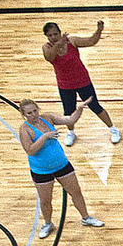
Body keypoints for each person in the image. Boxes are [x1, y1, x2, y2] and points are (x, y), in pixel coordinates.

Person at [18, 98, 103, 238]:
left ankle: (86, 218)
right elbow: (30, 150)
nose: (33, 115)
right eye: (29, 113)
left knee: (76, 192)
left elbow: (70, 121)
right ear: (24, 115)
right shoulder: (24, 130)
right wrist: (45, 136)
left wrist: (79, 109)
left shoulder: (47, 118)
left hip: (61, 164)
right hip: (41, 170)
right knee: (45, 201)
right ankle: (48, 223)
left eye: (34, 111)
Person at [42, 21, 119, 145]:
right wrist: (57, 45)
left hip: (83, 81)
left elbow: (91, 41)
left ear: (60, 33)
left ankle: (113, 129)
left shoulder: (71, 41)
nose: (53, 37)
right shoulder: (47, 48)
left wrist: (98, 30)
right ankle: (71, 133)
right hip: (65, 85)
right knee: (68, 112)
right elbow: (49, 58)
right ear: (47, 36)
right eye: (50, 35)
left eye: (55, 34)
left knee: (95, 107)